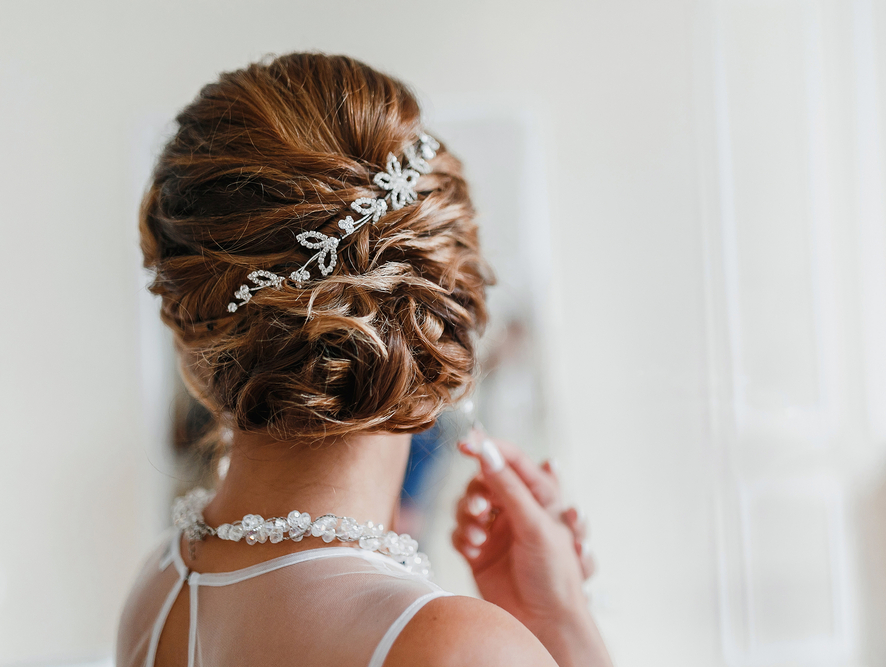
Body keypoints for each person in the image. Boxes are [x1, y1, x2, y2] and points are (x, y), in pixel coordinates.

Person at [117, 53, 613, 667]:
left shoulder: (157, 593)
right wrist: (565, 626)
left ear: (189, 319)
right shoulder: (453, 646)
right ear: (450, 311)